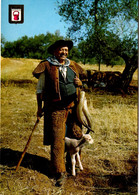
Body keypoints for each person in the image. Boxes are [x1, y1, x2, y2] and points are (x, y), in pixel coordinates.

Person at [32, 40, 84, 186]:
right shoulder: (46, 66)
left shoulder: (72, 65)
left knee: (76, 135)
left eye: (66, 50)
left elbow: (82, 81)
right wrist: (39, 108)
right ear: (55, 51)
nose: (64, 52)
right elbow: (39, 90)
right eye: (61, 50)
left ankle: (72, 165)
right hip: (55, 110)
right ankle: (59, 171)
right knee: (58, 141)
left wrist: (80, 84)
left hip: (73, 108)